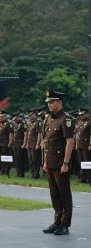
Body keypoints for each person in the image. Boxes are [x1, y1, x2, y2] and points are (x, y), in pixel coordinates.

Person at [42, 90, 74, 236]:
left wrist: (66, 163)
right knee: (54, 194)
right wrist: (44, 161)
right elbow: (46, 143)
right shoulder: (48, 119)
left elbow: (70, 142)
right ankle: (57, 222)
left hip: (61, 163)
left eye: (52, 102)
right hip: (50, 162)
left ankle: (65, 224)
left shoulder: (65, 119)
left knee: (64, 194)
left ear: (60, 102)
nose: (49, 104)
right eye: (48, 102)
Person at [74, 108, 91, 183]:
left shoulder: (89, 122)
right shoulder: (79, 121)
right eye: (80, 115)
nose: (81, 116)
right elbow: (76, 133)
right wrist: (76, 144)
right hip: (79, 144)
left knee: (87, 161)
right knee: (81, 161)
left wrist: (90, 144)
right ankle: (82, 177)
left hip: (86, 144)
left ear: (86, 114)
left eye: (82, 114)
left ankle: (88, 177)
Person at [0, 110, 13, 176]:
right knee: (1, 157)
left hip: (5, 143)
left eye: (2, 117)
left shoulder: (8, 124)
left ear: (5, 117)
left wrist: (10, 142)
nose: (0, 118)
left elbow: (10, 133)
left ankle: (7, 170)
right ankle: (2, 169)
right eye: (0, 117)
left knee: (6, 157)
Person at [12, 112, 27, 177]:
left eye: (16, 119)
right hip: (15, 143)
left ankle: (21, 173)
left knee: (20, 159)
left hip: (20, 143)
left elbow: (25, 134)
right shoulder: (16, 125)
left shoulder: (23, 124)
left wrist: (24, 143)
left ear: (19, 117)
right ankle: (18, 172)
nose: (15, 120)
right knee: (16, 159)